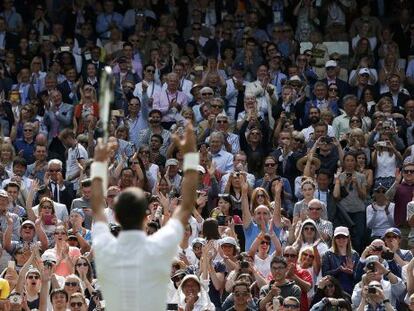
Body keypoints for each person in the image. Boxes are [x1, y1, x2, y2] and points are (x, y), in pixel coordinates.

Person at [91, 123, 199, 311]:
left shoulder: (105, 244)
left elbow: (97, 208)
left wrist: (99, 163)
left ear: (115, 217)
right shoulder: (159, 244)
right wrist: (190, 156)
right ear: (145, 217)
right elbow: (188, 203)